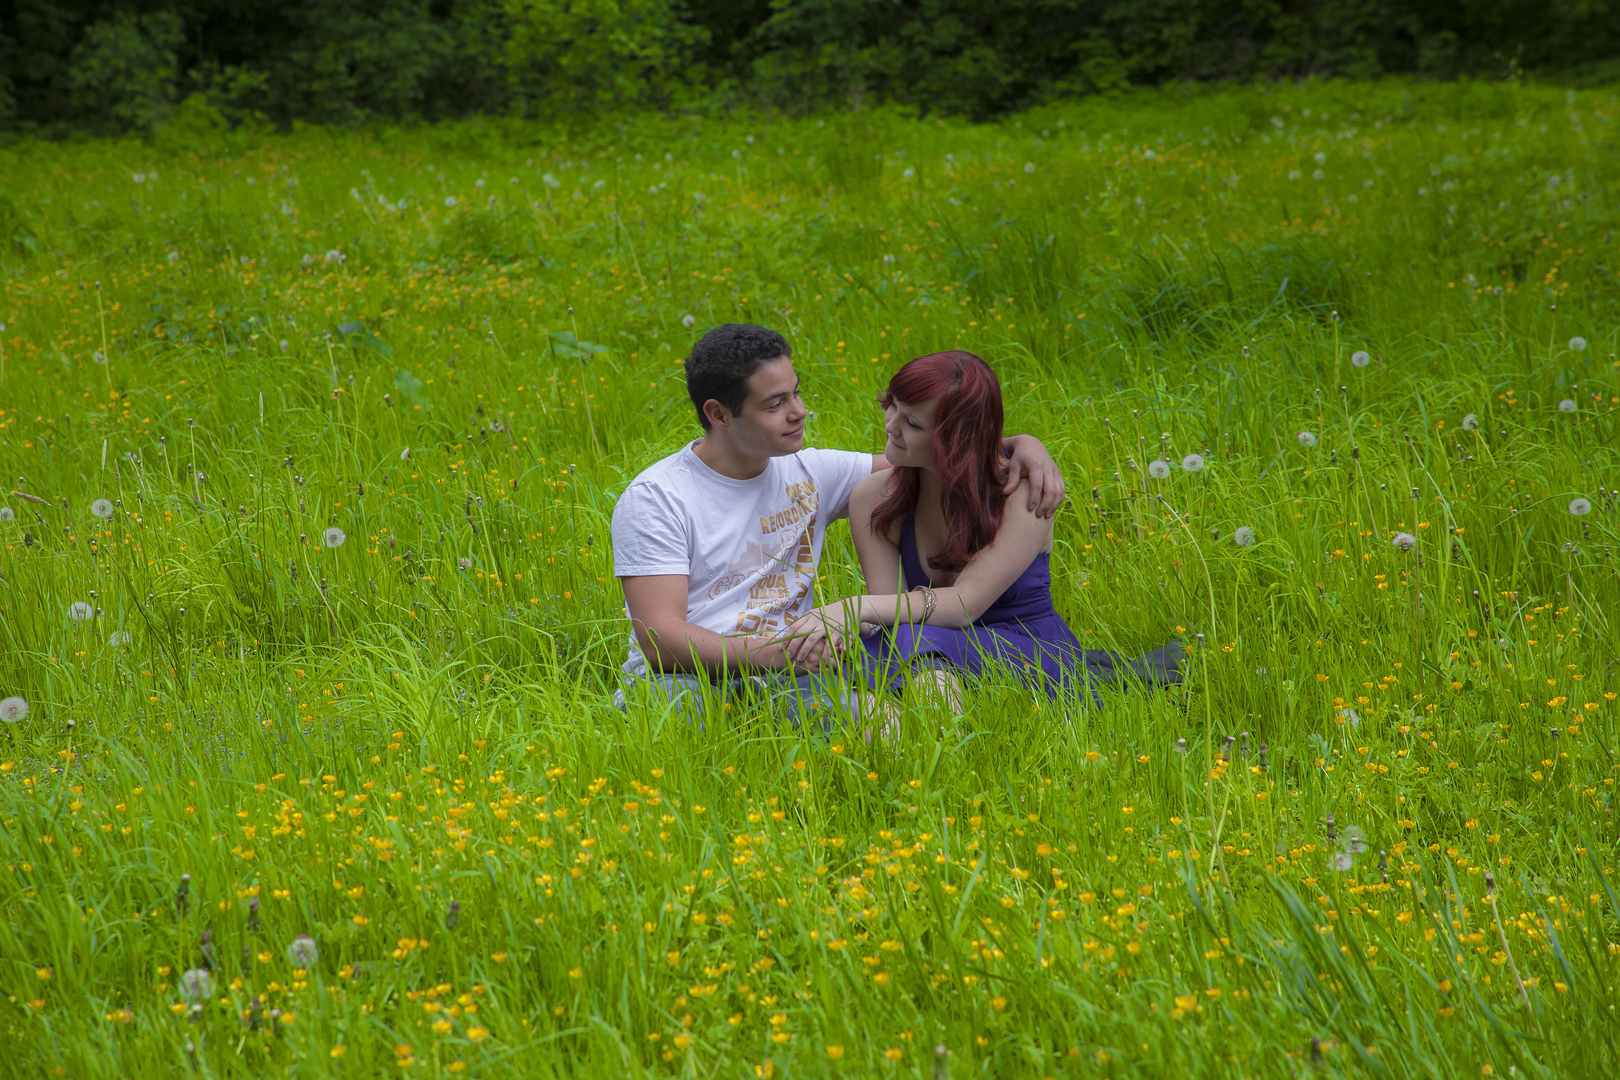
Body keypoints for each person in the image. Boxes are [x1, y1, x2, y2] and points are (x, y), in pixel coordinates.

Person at [610, 324, 1066, 724]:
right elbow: (659, 639)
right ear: (719, 414)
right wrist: (780, 653)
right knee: (689, 726)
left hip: (791, 671)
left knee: (882, 722)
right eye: (775, 404)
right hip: (683, 676)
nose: (799, 411)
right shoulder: (658, 500)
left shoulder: (812, 472)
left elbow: (944, 451)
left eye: (796, 392)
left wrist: (1022, 443)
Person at [777, 349, 1182, 710]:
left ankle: (942, 739)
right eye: (892, 407)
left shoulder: (1022, 495)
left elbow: (964, 604)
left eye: (913, 423)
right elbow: (887, 609)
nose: (890, 426)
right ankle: (919, 730)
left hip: (1025, 649)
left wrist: (849, 609)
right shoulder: (875, 497)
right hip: (924, 643)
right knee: (853, 653)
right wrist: (832, 632)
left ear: (955, 439)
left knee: (910, 642)